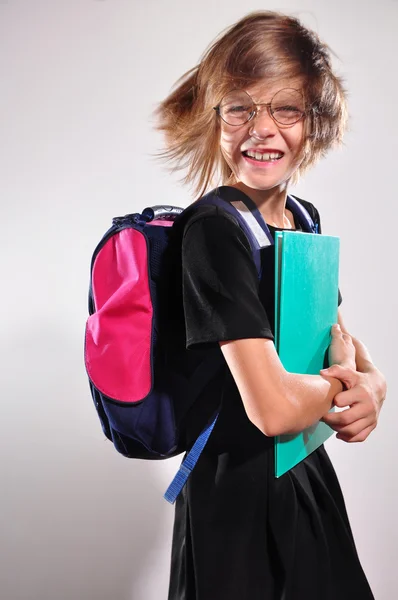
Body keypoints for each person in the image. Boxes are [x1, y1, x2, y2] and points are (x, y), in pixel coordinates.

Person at [154, 10, 387, 600]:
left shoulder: (302, 219)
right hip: (233, 497)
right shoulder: (214, 228)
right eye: (240, 108)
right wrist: (343, 389)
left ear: (315, 122)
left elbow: (341, 346)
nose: (263, 129)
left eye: (285, 108)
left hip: (301, 470)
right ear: (215, 120)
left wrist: (376, 386)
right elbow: (275, 409)